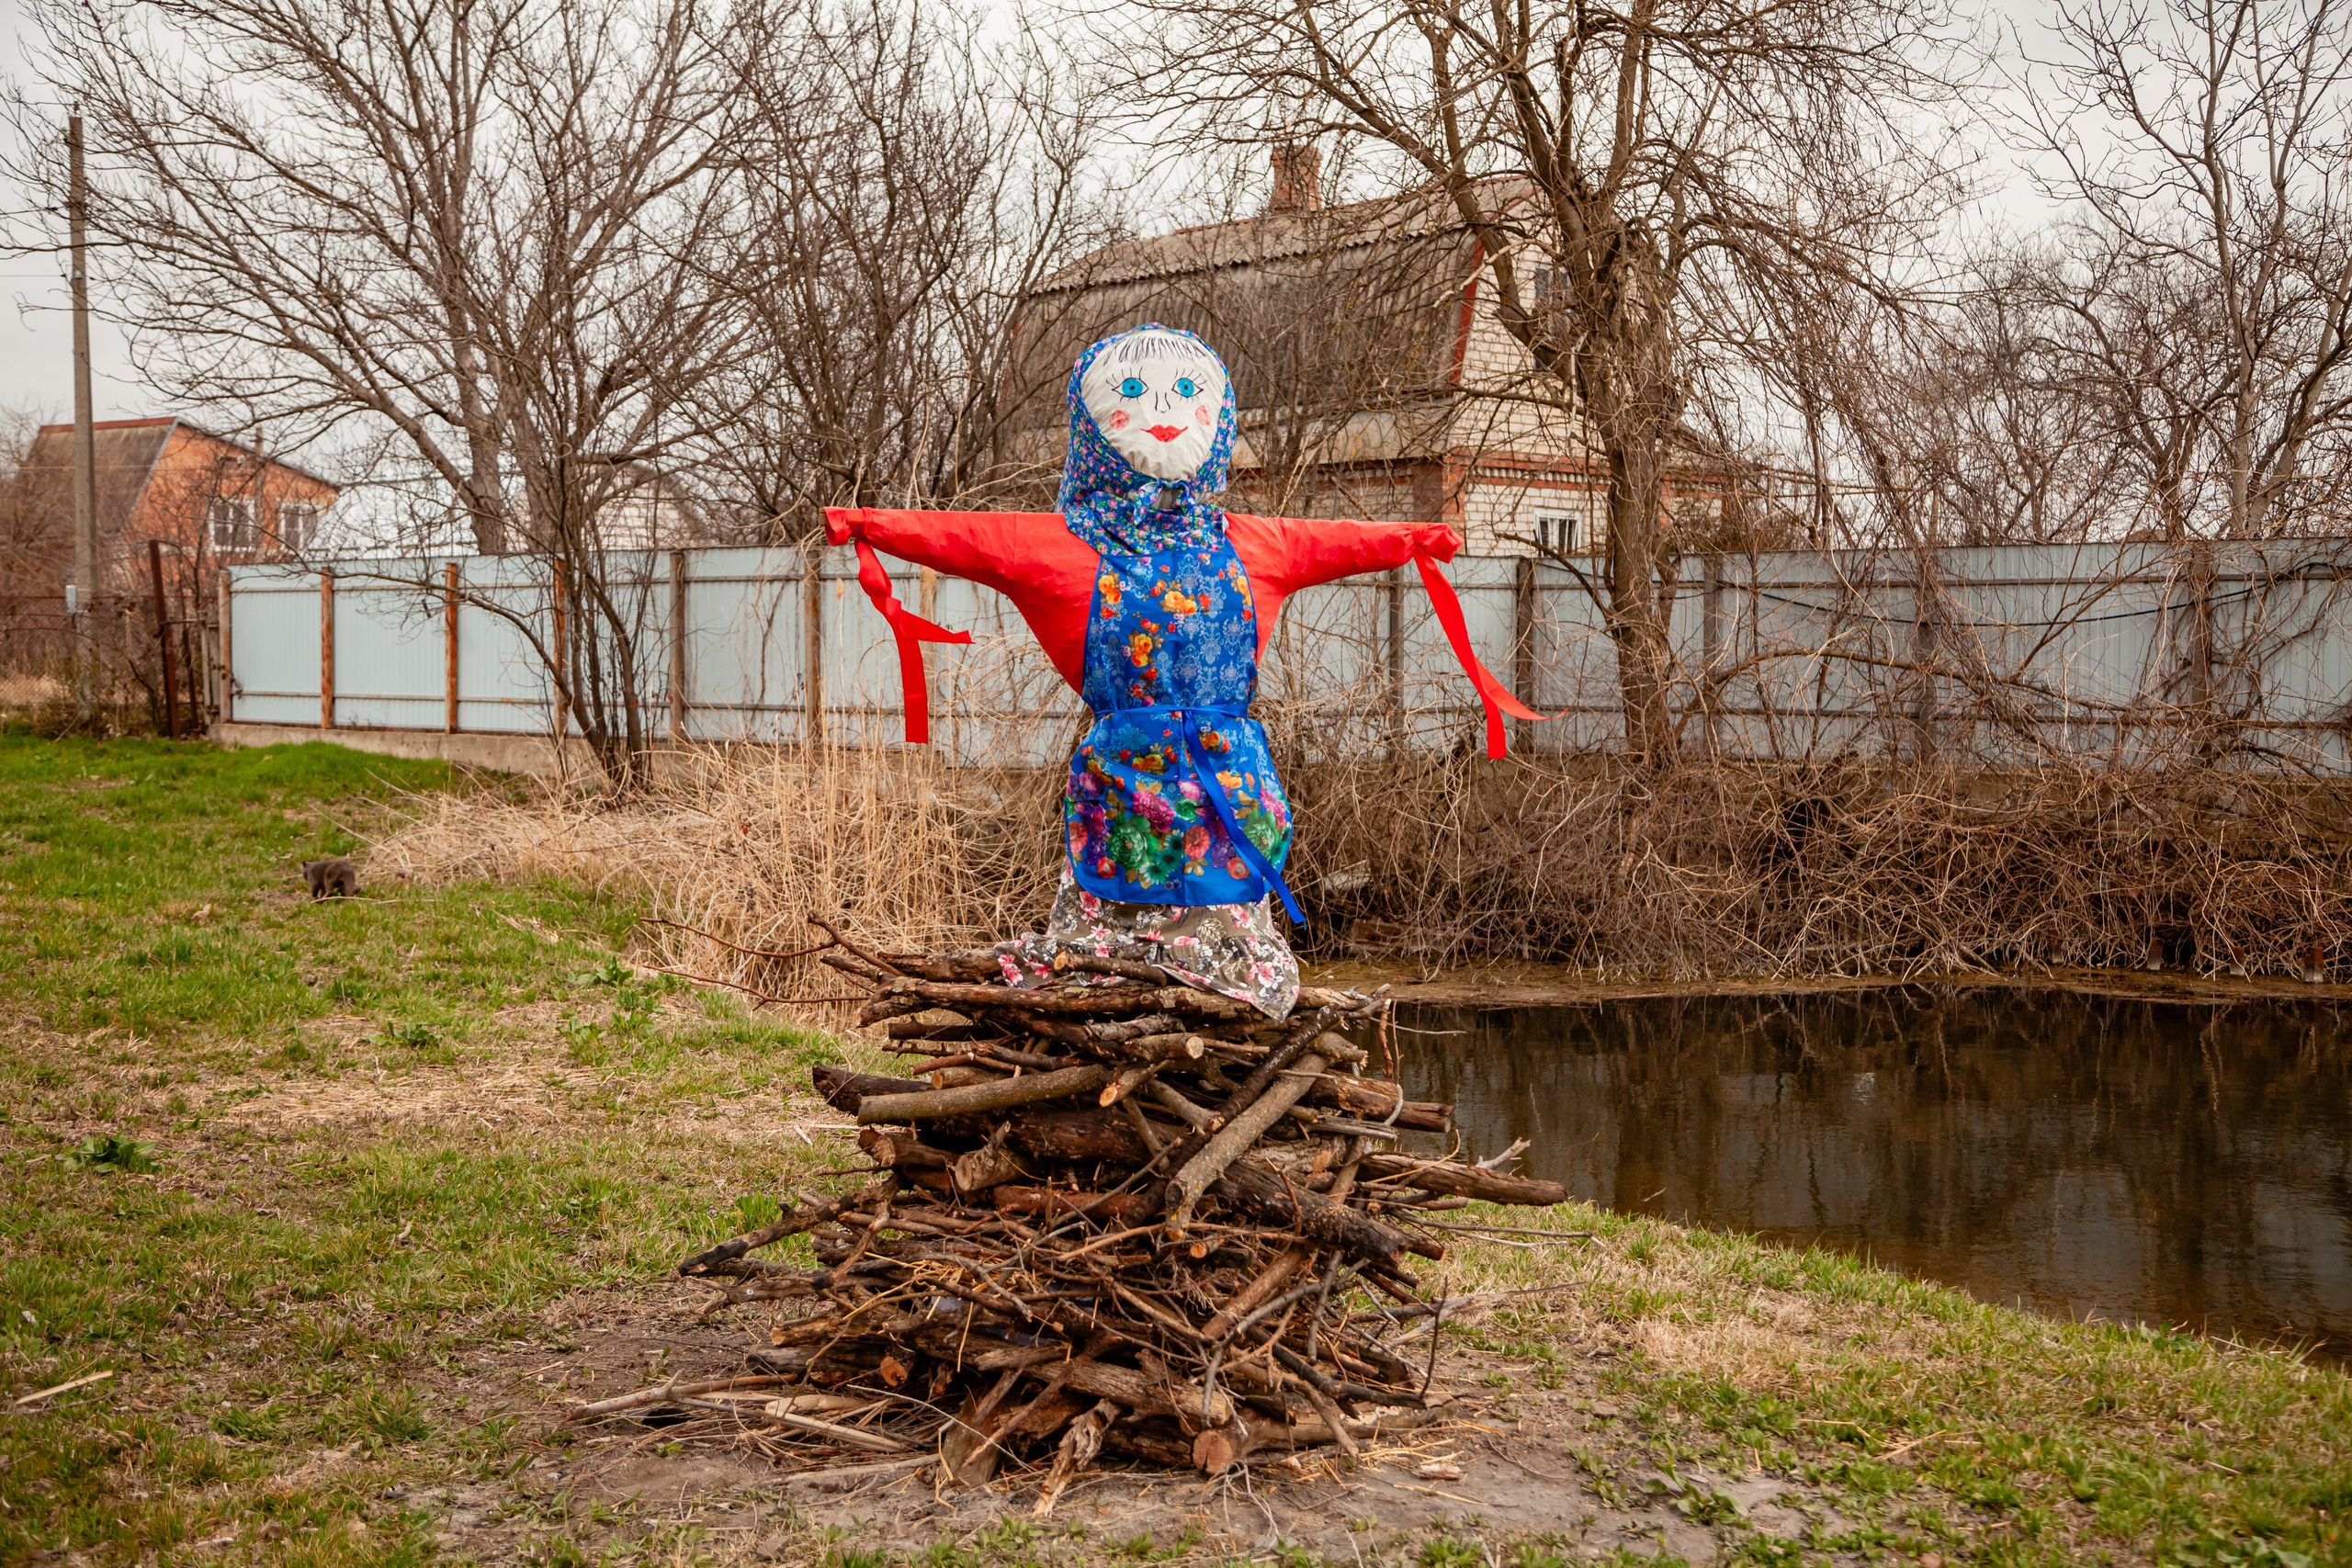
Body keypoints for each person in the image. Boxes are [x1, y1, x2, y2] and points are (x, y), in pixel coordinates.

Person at [824, 324, 1543, 1019]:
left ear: (1217, 418)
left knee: (1211, 923)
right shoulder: (1065, 547)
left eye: (1185, 397)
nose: (1163, 417)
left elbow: (1341, 541)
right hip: (1126, 786)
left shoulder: (1252, 544)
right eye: (1133, 393)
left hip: (1222, 787)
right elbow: (964, 538)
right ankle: (1126, 991)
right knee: (1114, 930)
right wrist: (869, 526)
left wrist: (1413, 539)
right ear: (1095, 417)